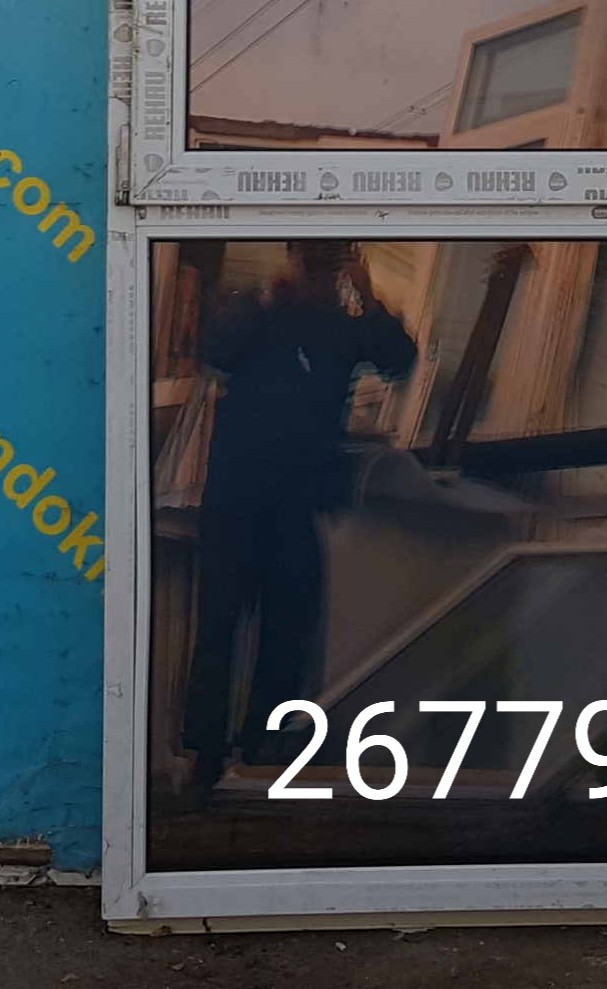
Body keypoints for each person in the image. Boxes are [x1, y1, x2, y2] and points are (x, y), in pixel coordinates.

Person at [181, 241, 417, 802]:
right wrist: (269, 296)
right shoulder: (262, 311)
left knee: (287, 629)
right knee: (220, 624)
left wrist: (368, 295)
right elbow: (215, 353)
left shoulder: (339, 327)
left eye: (326, 265)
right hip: (238, 495)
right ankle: (206, 756)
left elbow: (399, 359)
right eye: (314, 262)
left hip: (297, 498)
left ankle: (263, 749)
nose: (317, 275)